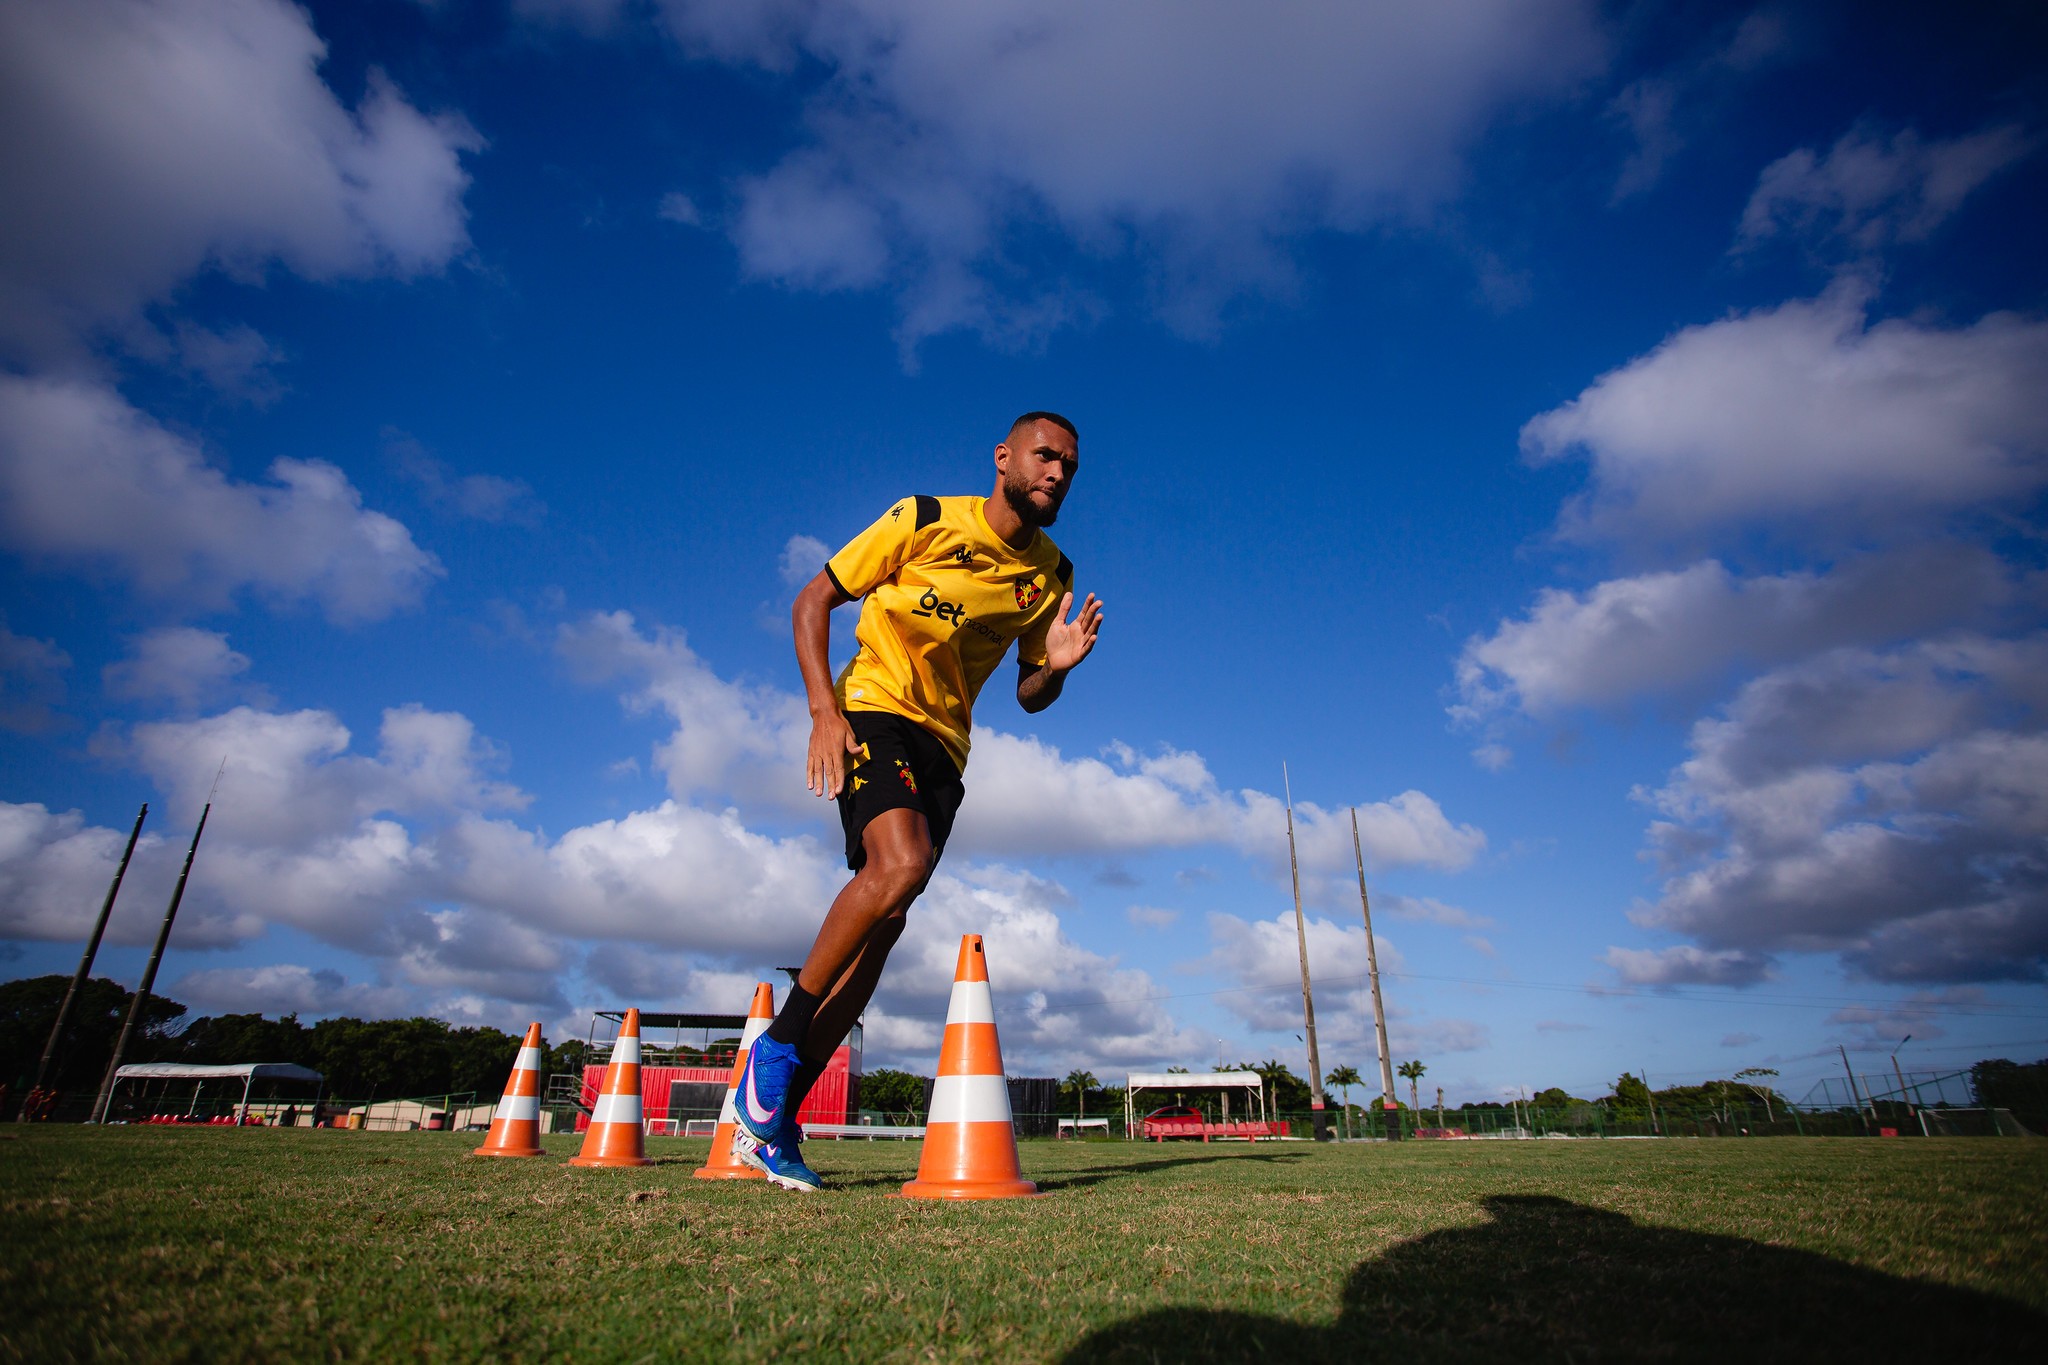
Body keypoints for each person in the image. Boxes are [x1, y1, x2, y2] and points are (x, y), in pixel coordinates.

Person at [733, 411, 1105, 1191]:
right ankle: (776, 1046)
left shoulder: (1051, 575)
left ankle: (772, 1120)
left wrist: (1059, 666)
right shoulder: (924, 517)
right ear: (1004, 457)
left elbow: (1030, 695)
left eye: (1070, 466)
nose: (1058, 474)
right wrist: (823, 711)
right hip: (874, 707)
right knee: (898, 866)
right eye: (1045, 457)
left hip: (947, 749)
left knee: (886, 923)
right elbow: (811, 601)